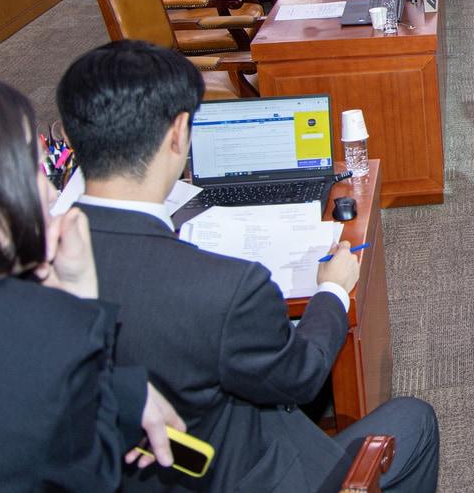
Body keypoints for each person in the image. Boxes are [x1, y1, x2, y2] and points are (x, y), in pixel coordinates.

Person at [57, 41, 440, 493]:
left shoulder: (27, 270)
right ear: (179, 133)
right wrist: (332, 292)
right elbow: (301, 375)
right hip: (238, 471)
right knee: (415, 421)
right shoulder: (227, 288)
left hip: (119, 469)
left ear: (72, 136)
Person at [0, 68, 183, 490]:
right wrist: (80, 305)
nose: (52, 190)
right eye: (37, 167)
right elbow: (94, 471)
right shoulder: (36, 336)